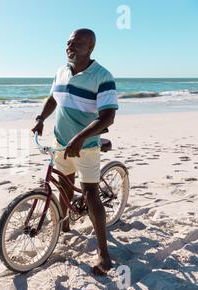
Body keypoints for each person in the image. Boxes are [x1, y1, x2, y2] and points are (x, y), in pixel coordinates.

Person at [32, 28, 119, 276]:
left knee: (91, 194)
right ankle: (65, 223)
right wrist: (40, 118)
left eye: (78, 43)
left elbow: (108, 116)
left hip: (86, 145)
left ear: (90, 47)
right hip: (62, 142)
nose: (71, 46)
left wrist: (80, 138)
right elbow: (53, 98)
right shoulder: (62, 70)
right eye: (69, 42)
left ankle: (104, 253)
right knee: (65, 184)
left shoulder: (102, 76)